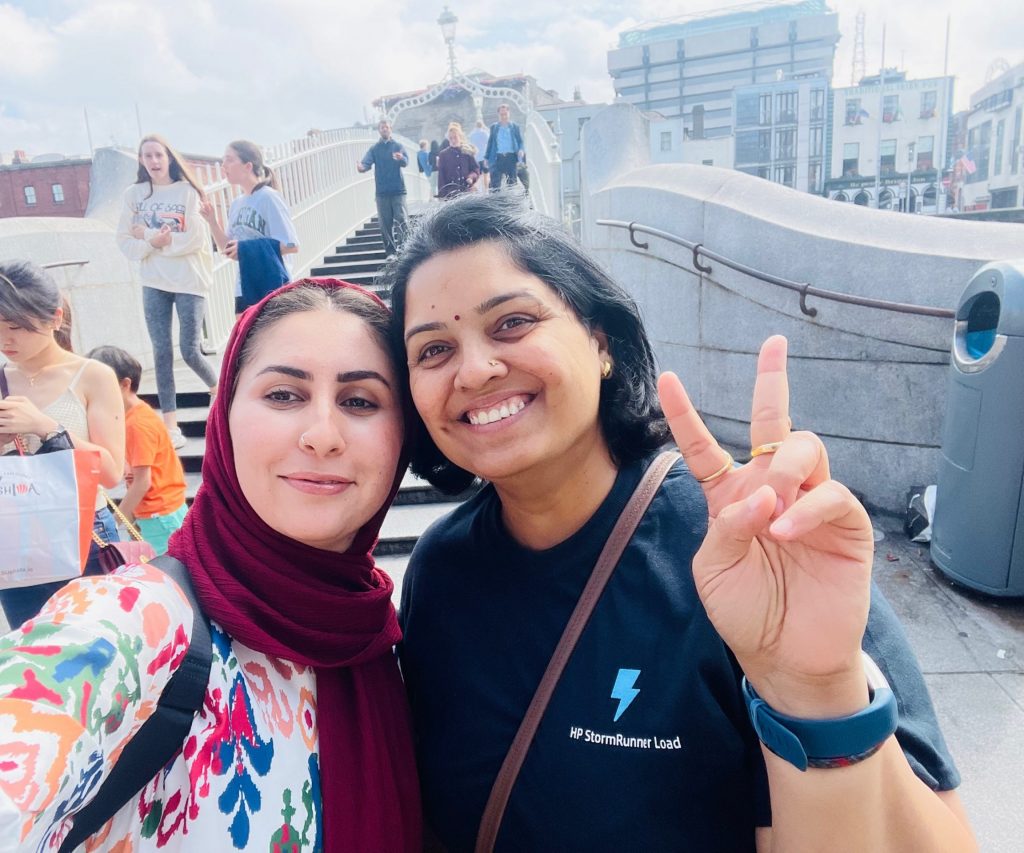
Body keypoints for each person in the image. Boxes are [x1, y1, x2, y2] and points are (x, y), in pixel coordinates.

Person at [382, 194, 976, 852]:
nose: (474, 369)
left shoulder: (750, 544)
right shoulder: (442, 570)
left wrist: (816, 692)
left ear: (599, 340)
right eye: (433, 350)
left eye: (513, 322)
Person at [0, 279, 421, 851]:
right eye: (283, 395)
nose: (323, 435)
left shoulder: (376, 634)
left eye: (361, 402)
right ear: (224, 416)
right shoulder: (136, 620)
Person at [0, 260, 126, 629]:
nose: (7, 341)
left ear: (56, 318)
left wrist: (46, 426)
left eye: (17, 328)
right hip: (17, 529)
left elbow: (111, 470)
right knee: (32, 646)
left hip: (84, 529)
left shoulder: (93, 376)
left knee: (97, 640)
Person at [117, 134, 219, 449]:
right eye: (147, 156)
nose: (154, 161)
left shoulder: (188, 192)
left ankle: (222, 391)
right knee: (162, 353)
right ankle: (171, 425)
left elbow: (195, 241)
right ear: (141, 160)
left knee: (189, 350)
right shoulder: (134, 195)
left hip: (189, 281)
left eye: (158, 155)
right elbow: (124, 242)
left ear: (169, 157)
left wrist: (150, 236)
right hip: (154, 283)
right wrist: (151, 242)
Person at [88, 345, 188, 555]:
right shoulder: (135, 414)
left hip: (160, 515)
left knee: (164, 571)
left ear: (125, 384)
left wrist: (116, 521)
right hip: (159, 512)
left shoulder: (137, 424)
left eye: (100, 386)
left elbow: (143, 481)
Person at [200, 140, 299, 316]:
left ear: (247, 166)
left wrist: (247, 249)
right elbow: (228, 249)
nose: (223, 165)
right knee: (248, 342)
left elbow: (291, 245)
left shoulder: (269, 198)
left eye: (229, 159)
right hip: (244, 285)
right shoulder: (236, 204)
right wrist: (212, 222)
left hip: (271, 283)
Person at [356, 119, 408, 257]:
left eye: (386, 127)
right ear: (379, 130)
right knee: (385, 225)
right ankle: (390, 253)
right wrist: (361, 168)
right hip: (382, 192)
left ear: (390, 129)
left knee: (402, 220)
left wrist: (401, 158)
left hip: (398, 190)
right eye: (382, 127)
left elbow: (406, 162)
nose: (384, 129)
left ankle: (404, 250)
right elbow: (366, 163)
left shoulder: (398, 146)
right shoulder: (374, 149)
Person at [483, 104, 524, 192]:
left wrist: (521, 149)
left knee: (511, 183)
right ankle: (495, 202)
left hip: (511, 157)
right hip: (497, 157)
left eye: (505, 114)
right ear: (498, 115)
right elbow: (490, 143)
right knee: (495, 184)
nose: (504, 116)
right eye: (502, 114)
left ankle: (511, 202)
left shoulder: (514, 127)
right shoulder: (494, 127)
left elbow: (520, 141)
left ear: (509, 113)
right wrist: (486, 157)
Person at [435, 123, 479, 200]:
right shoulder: (443, 155)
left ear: (460, 137)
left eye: (455, 137)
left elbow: (476, 170)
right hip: (451, 195)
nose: (453, 140)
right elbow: (441, 177)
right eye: (451, 138)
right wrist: (442, 196)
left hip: (467, 192)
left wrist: (471, 178)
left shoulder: (467, 151)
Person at [468, 120, 490, 192]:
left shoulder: (472, 134)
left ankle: (477, 189)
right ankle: (486, 189)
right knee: (486, 174)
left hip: (476, 157)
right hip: (484, 157)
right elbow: (489, 143)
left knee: (477, 174)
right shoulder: (485, 133)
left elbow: (469, 145)